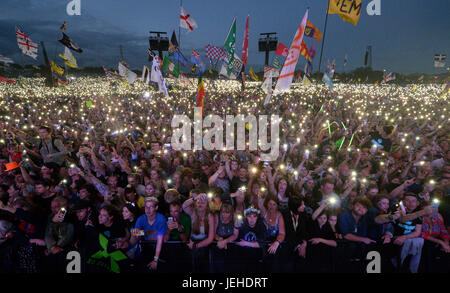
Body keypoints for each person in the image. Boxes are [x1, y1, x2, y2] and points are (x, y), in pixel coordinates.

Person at [129, 197, 167, 272]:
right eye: (146, 207)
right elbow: (136, 238)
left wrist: (155, 260)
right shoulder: (141, 219)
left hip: (161, 249)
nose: (148, 210)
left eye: (151, 207)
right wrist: (136, 232)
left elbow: (160, 240)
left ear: (156, 207)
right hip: (145, 248)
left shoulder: (161, 219)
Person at [182, 192, 215, 273]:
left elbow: (210, 238)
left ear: (207, 206)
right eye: (198, 202)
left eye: (203, 203)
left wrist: (196, 246)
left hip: (204, 245)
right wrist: (195, 198)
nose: (200, 204)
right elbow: (184, 206)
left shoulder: (210, 216)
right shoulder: (193, 213)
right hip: (193, 243)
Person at [235, 206, 267, 273]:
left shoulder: (261, 225)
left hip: (257, 257)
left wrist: (246, 243)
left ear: (257, 217)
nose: (252, 219)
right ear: (246, 217)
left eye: (254, 216)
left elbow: (262, 244)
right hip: (243, 257)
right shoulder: (242, 224)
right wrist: (236, 226)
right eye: (250, 216)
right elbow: (236, 239)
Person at [212, 202, 239, 272]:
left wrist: (225, 241)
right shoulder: (217, 217)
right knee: (218, 261)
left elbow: (236, 235)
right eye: (223, 212)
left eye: (227, 213)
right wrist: (219, 238)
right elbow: (213, 233)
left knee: (231, 262)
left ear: (231, 213)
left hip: (231, 240)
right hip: (218, 240)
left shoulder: (235, 217)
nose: (224, 215)